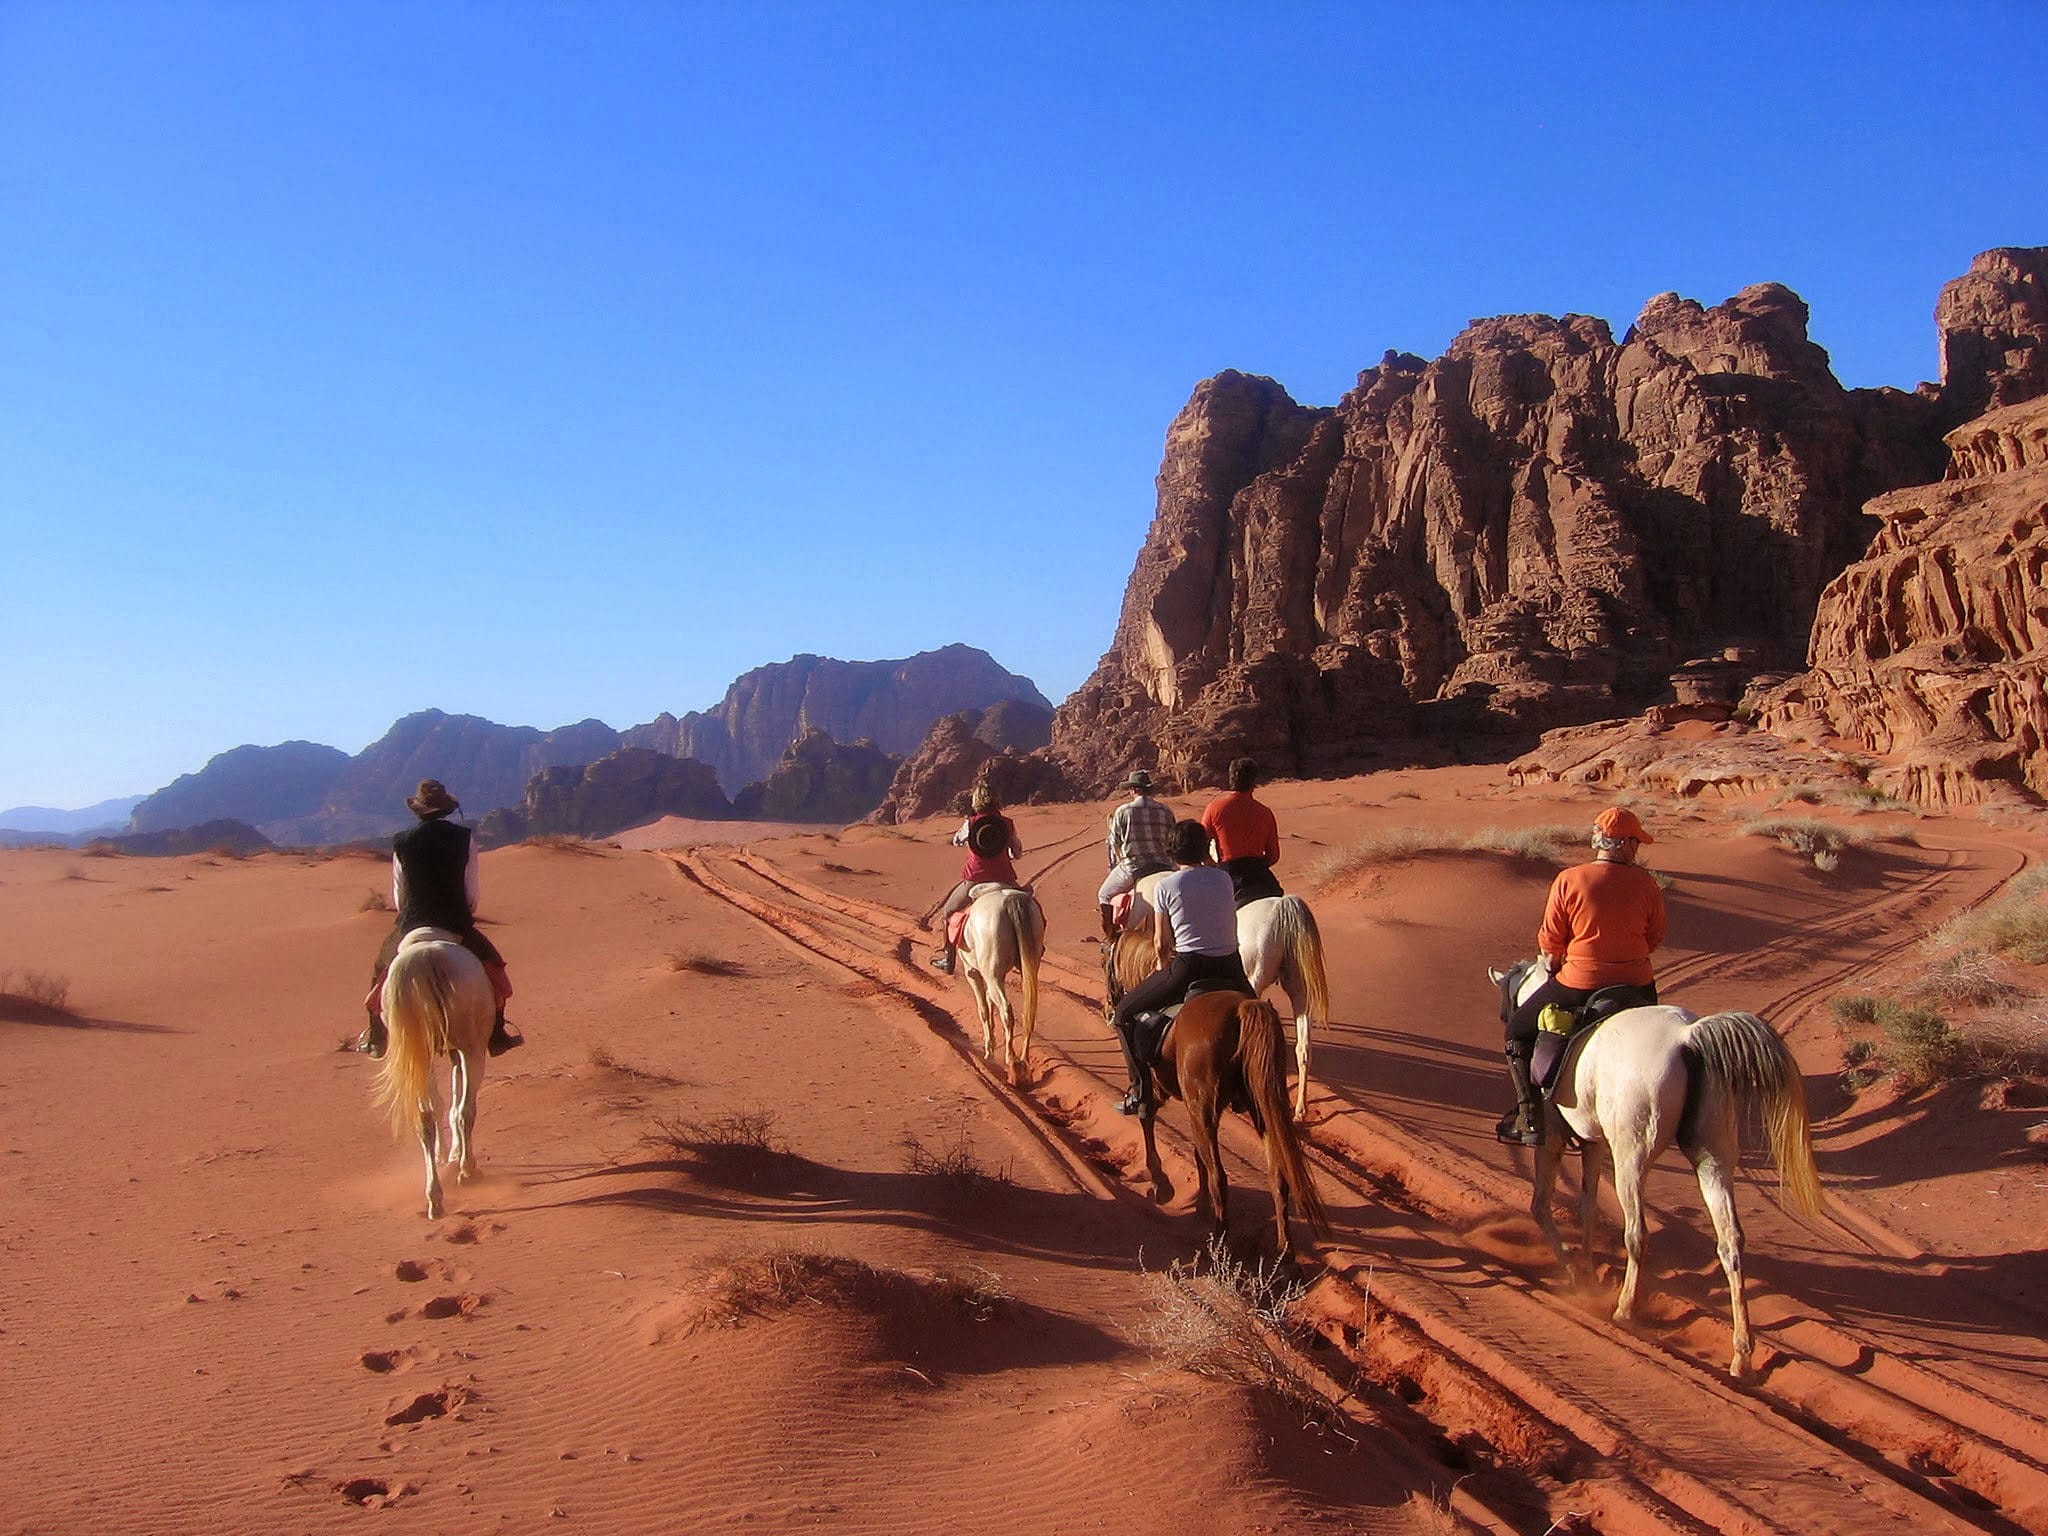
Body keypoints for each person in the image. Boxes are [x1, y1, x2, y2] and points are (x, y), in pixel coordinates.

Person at [1497, 805, 1665, 1145]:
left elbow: (1550, 939)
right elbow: (1655, 936)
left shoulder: (1570, 879)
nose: (1638, 850)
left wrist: (1556, 963)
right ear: (1627, 844)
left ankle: (1530, 1119)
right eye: (1637, 843)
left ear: (1601, 842)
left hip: (1579, 982)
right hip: (1637, 986)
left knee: (1517, 1030)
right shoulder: (1647, 883)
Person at [354, 780, 523, 1059]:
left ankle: (376, 1038)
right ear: (445, 809)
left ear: (417, 810)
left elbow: (400, 894)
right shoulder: (463, 838)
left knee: (380, 971)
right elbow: (471, 891)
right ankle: (497, 1034)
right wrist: (462, 914)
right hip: (454, 922)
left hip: (412, 922)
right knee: (493, 967)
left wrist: (410, 916)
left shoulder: (402, 842)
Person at [1110, 818, 1252, 1115]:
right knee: (1259, 1018)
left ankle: (1140, 1092)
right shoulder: (1224, 878)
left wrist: (1162, 971)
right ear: (1203, 850)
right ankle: (1247, 1090)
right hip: (1231, 966)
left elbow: (1162, 944)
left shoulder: (1166, 886)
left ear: (1172, 852)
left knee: (1123, 1012)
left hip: (1190, 967)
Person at [919, 783, 1023, 974]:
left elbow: (957, 840)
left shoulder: (970, 823)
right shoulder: (1007, 824)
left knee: (948, 912)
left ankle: (948, 958)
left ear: (976, 800)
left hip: (975, 878)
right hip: (1005, 878)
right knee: (1030, 906)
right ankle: (1034, 950)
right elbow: (1016, 852)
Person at [1096, 768, 1176, 941]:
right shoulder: (1166, 811)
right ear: (1149, 789)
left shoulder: (1123, 811)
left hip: (1134, 866)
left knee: (1104, 894)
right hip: (1166, 865)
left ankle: (1111, 938)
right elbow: (1173, 841)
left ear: (1132, 789)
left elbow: (1114, 843)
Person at [1200, 756, 1283, 905]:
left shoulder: (1214, 808)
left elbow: (1201, 845)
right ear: (1254, 781)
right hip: (1259, 873)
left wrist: (1213, 866)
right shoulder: (1265, 812)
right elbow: (1273, 856)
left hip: (1228, 873)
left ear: (1231, 778)